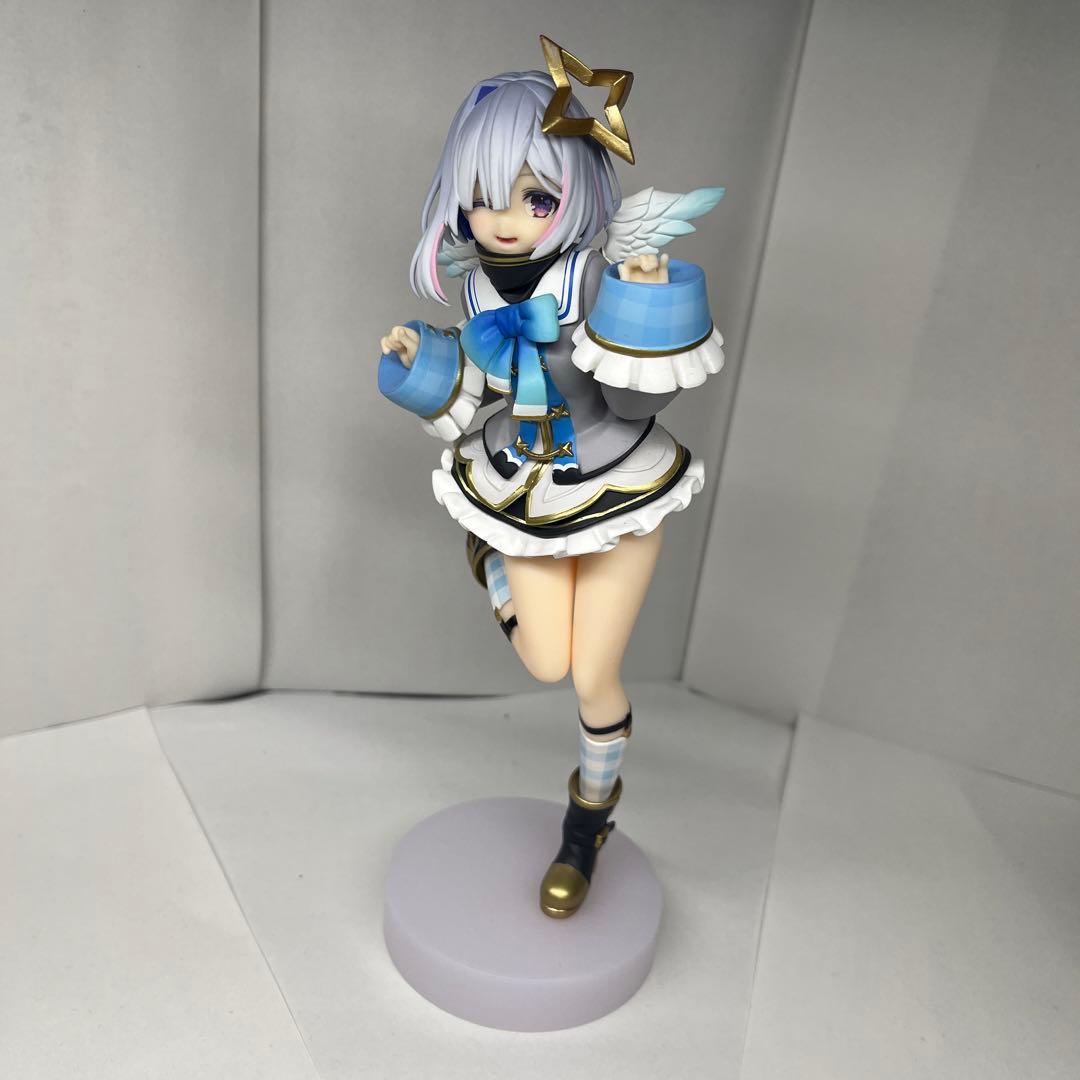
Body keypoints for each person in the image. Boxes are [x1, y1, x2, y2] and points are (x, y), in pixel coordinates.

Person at [376, 41, 724, 919]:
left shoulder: (594, 274)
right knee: (544, 661)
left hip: (615, 481)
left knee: (594, 675)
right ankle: (487, 559)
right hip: (524, 487)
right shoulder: (476, 291)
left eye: (534, 198)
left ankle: (587, 824)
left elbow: (629, 400)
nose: (505, 219)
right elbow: (482, 383)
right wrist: (424, 363)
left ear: (574, 193)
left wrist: (647, 304)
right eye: (484, 196)